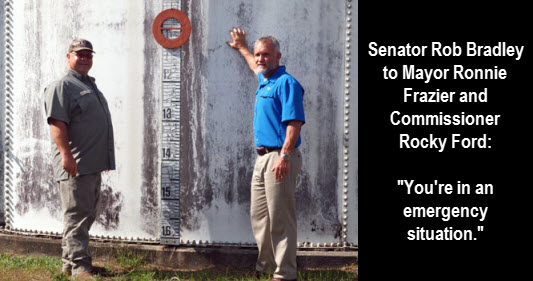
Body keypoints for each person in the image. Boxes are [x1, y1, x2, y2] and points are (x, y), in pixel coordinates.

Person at [227, 27, 305, 281]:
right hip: (262, 158)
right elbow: (253, 65)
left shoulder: (287, 83)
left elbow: (294, 123)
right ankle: (267, 267)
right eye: (259, 54)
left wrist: (284, 156)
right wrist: (242, 47)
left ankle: (285, 274)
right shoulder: (265, 80)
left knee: (281, 217)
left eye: (266, 55)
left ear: (278, 57)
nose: (261, 58)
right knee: (260, 216)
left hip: (280, 157)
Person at [44, 39, 115, 280]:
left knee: (84, 214)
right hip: (75, 164)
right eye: (79, 54)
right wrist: (66, 156)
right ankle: (80, 269)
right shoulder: (63, 85)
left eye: (88, 55)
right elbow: (57, 123)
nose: (85, 58)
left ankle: (68, 266)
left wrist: (102, 159)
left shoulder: (87, 85)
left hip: (90, 164)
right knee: (77, 216)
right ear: (69, 56)